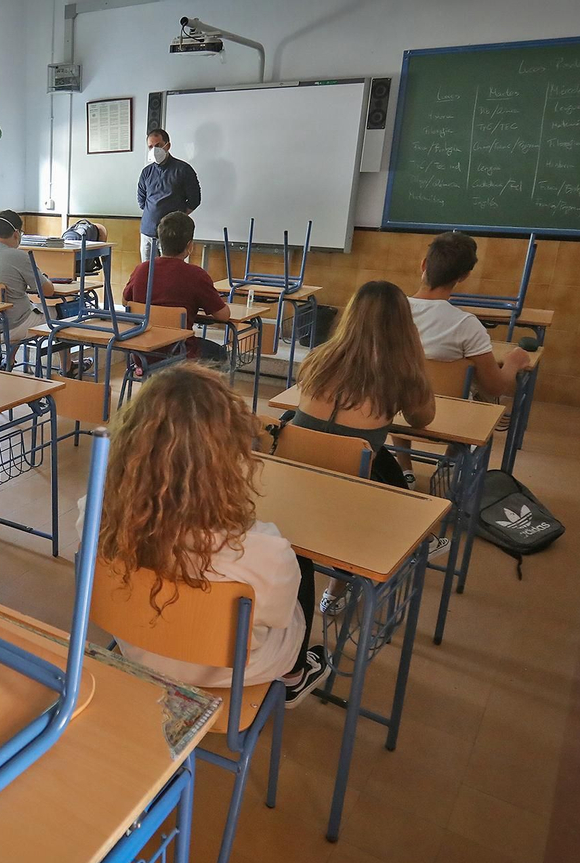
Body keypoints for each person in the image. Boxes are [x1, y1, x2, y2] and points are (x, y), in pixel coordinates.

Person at [94, 364, 329, 702]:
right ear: (228, 457)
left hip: (139, 651)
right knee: (299, 575)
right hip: (236, 672)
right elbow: (278, 617)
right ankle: (295, 675)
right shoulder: (266, 550)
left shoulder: (96, 517)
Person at [291, 281, 444, 612]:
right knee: (368, 461)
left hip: (293, 483)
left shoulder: (317, 358)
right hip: (347, 496)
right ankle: (336, 589)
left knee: (362, 451)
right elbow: (423, 419)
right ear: (404, 327)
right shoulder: (400, 374)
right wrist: (415, 359)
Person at [394, 231, 533, 484]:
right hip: (448, 419)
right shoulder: (466, 325)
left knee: (401, 381)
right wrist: (513, 362)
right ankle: (448, 463)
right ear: (464, 276)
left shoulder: (391, 310)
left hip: (393, 410)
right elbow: (495, 386)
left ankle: (405, 467)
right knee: (479, 398)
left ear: (423, 264)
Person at [122, 211, 230, 362]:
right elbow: (223, 315)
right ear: (190, 246)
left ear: (160, 243)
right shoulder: (196, 275)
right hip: (180, 352)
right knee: (220, 353)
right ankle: (197, 385)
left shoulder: (141, 269)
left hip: (142, 353)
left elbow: (125, 302)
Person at [0, 210, 67, 345]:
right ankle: (66, 365)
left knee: (22, 306)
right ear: (16, 234)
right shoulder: (19, 256)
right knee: (64, 311)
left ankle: (10, 361)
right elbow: (48, 291)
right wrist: (44, 278)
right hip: (12, 327)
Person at [136, 129, 201, 263]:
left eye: (158, 145)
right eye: (150, 146)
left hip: (173, 235)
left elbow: (194, 200)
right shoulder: (146, 172)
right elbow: (141, 200)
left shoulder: (183, 169)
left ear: (168, 146)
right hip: (148, 232)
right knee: (148, 274)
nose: (154, 149)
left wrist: (175, 219)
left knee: (171, 274)